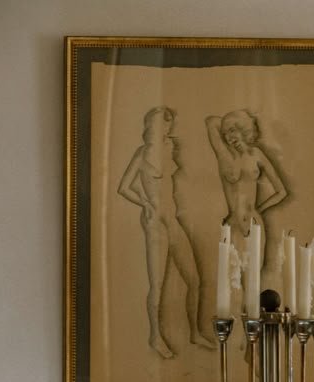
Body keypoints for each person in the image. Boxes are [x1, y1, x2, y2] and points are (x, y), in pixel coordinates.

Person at [117, 106, 213, 358]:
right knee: (157, 285)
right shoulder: (142, 154)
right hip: (154, 222)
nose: (168, 128)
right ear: (153, 126)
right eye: (164, 124)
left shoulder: (170, 146)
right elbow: (124, 187)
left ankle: (194, 332)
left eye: (170, 123)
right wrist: (146, 203)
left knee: (194, 279)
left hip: (172, 219)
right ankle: (155, 336)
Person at [205, 109, 287, 265]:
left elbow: (281, 191)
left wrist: (259, 210)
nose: (229, 138)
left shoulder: (257, 154)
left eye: (232, 131)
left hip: (254, 224)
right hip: (232, 226)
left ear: (244, 129)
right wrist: (233, 122)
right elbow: (210, 121)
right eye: (225, 134)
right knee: (232, 283)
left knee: (253, 281)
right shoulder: (224, 156)